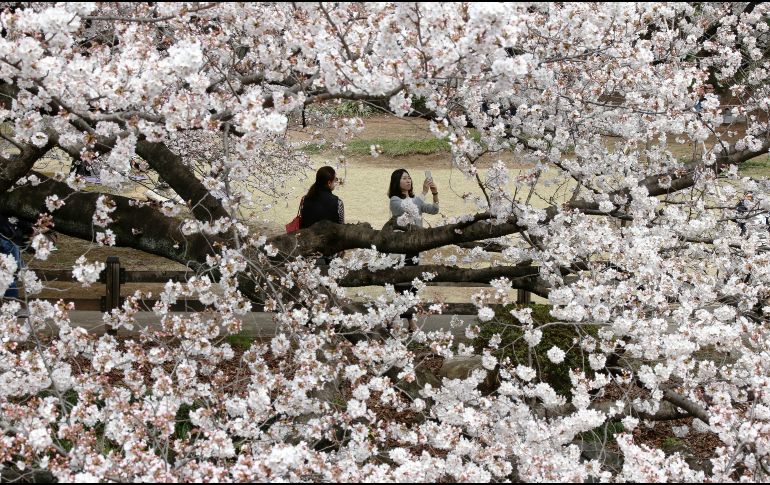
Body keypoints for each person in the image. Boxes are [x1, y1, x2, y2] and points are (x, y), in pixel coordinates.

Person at [387, 168, 439, 330]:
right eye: (404, 178)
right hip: (400, 247)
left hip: (415, 246)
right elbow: (408, 208)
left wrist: (435, 193)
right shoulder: (394, 200)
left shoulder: (416, 199)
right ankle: (398, 319)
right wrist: (423, 193)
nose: (408, 181)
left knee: (412, 284)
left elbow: (435, 210)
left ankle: (407, 321)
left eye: (409, 178)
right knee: (400, 283)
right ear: (397, 182)